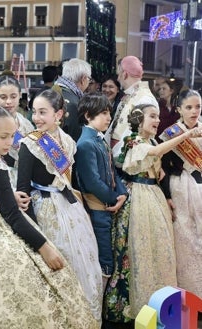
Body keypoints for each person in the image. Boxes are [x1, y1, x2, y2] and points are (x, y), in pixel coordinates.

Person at [0, 104, 100, 329]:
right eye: (3, 137)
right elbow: (13, 215)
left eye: (12, 136)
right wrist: (44, 247)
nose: (9, 143)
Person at [17, 89, 103, 322]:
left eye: (43, 112)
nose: (36, 118)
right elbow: (22, 189)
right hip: (44, 211)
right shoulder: (29, 144)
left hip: (70, 209)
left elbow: (69, 182)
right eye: (34, 112)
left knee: (83, 262)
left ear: (59, 114)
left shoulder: (68, 142)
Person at [119, 103, 202, 318]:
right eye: (152, 117)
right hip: (142, 197)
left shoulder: (151, 140)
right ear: (140, 121)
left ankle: (165, 304)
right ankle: (147, 306)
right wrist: (186, 135)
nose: (157, 121)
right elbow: (156, 152)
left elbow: (158, 165)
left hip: (154, 194)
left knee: (163, 249)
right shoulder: (136, 143)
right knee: (146, 249)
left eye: (157, 117)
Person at [75, 92, 128, 291]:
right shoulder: (86, 144)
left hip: (108, 206)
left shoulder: (98, 140)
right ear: (88, 115)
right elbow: (93, 183)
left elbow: (112, 169)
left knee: (109, 256)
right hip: (98, 210)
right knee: (104, 259)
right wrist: (115, 197)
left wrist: (122, 193)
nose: (108, 118)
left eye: (109, 112)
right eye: (103, 113)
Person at [160, 89, 202, 299]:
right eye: (189, 107)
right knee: (185, 240)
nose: (194, 111)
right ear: (179, 110)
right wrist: (167, 195)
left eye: (198, 107)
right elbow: (162, 167)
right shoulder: (171, 133)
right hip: (180, 190)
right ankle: (189, 295)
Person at [104, 56, 158, 160]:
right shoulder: (129, 95)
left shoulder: (145, 99)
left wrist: (114, 154)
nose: (118, 78)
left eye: (119, 74)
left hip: (129, 158)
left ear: (124, 74)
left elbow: (136, 133)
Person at [0, 74, 34, 187]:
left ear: (20, 95)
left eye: (13, 96)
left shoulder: (26, 124)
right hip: (0, 182)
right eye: (3, 97)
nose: (8, 102)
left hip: (25, 182)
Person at [54, 58, 92, 141]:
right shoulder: (74, 104)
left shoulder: (50, 92)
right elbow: (74, 140)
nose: (89, 83)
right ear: (83, 79)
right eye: (89, 79)